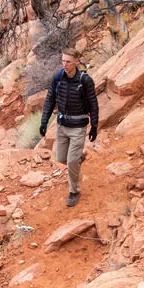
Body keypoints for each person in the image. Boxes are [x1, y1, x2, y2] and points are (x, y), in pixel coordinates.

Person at [39, 50, 99, 207]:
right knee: (60, 158)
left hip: (78, 126)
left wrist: (94, 126)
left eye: (68, 61)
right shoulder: (58, 78)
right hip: (62, 126)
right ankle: (78, 159)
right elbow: (50, 99)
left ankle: (74, 191)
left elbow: (93, 103)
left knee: (71, 161)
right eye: (63, 61)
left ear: (76, 62)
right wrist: (44, 122)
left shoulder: (85, 81)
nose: (64, 64)